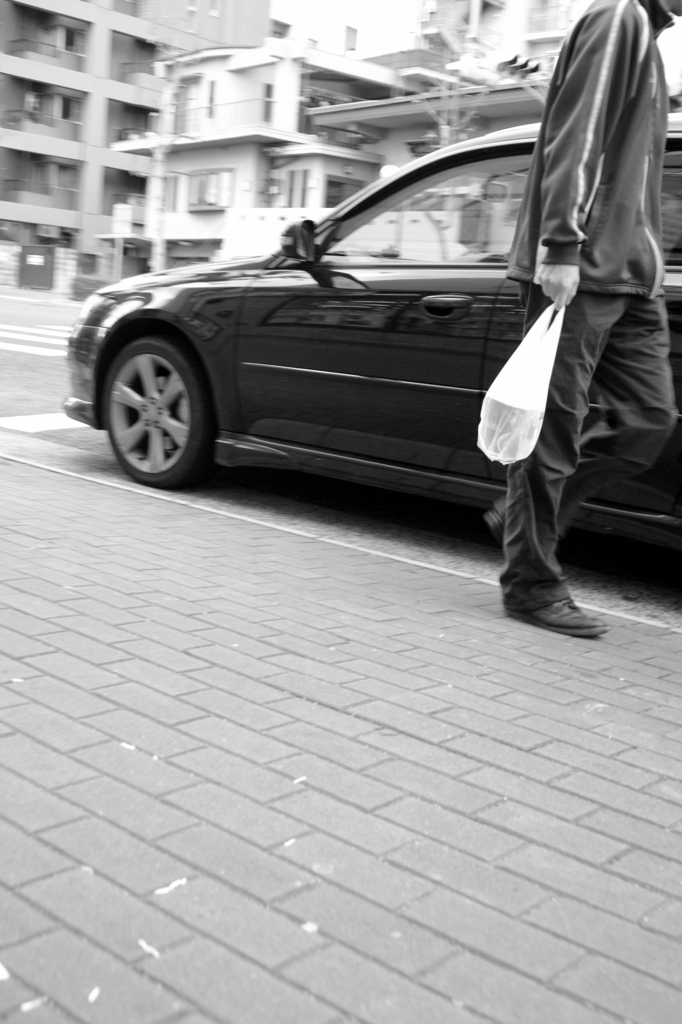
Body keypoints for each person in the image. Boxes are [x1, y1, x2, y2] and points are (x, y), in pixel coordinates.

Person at [485, 0, 682, 638]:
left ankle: (523, 520)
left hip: (632, 275)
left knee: (649, 420)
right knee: (552, 434)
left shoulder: (645, 42)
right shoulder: (619, 16)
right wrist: (561, 247)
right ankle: (530, 583)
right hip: (583, 268)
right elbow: (580, 131)